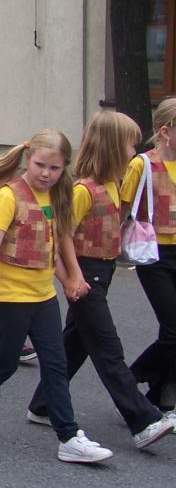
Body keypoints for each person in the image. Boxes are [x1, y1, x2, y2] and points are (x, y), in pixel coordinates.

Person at [0, 129, 115, 464]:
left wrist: (71, 279)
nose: (46, 174)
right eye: (40, 165)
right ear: (28, 158)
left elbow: (54, 245)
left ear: (64, 167)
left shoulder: (57, 196)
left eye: (54, 168)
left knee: (56, 364)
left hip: (43, 296)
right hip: (9, 296)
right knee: (4, 362)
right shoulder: (8, 195)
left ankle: (68, 437)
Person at [24, 112, 174, 449]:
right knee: (108, 348)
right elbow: (59, 236)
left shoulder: (112, 183)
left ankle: (43, 404)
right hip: (86, 273)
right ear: (112, 147)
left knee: (76, 342)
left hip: (101, 272)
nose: (134, 151)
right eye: (129, 145)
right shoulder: (84, 190)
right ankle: (143, 420)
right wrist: (71, 277)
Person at [121, 98, 176, 418]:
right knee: (172, 330)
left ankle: (163, 397)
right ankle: (130, 380)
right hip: (154, 254)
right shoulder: (142, 165)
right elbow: (122, 208)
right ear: (166, 132)